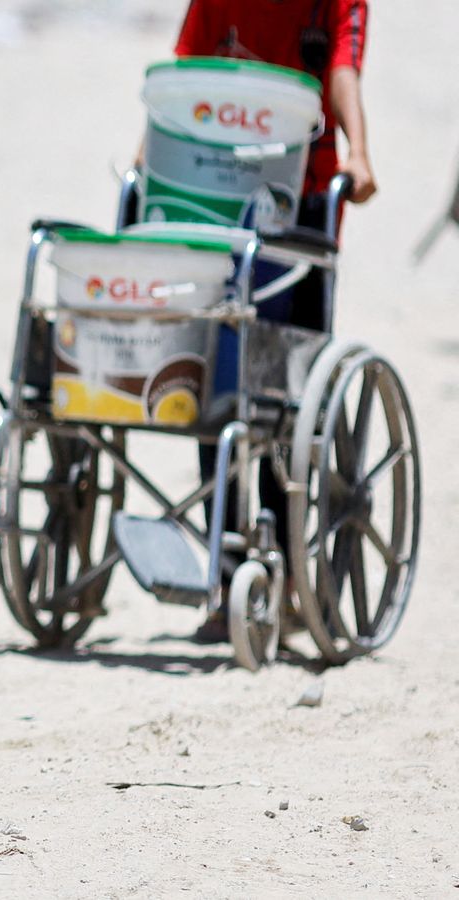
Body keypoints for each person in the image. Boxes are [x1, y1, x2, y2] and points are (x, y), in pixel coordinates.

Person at [172, 0, 374, 642]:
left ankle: (279, 570)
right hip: (217, 191)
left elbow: (342, 66)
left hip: (300, 201)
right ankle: (229, 567)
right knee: (220, 375)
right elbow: (182, 80)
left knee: (276, 387)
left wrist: (359, 152)